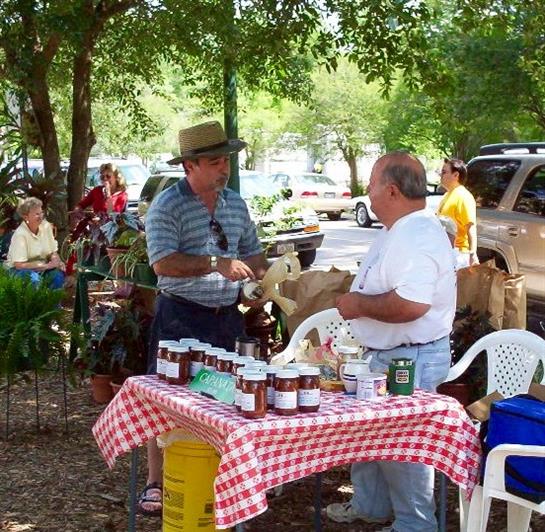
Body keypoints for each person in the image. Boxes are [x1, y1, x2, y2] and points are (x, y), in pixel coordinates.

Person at [139, 120, 269, 516]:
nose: (223, 168)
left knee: (227, 396)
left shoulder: (235, 204)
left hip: (226, 317)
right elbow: (163, 263)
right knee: (167, 399)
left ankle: (217, 475)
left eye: (225, 160)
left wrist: (262, 278)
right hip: (180, 316)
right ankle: (156, 481)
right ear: (189, 166)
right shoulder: (167, 205)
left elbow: (254, 254)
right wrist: (216, 263)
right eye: (214, 162)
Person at [326, 152, 456, 532]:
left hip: (410, 358)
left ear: (393, 191)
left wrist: (358, 304)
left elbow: (412, 304)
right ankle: (371, 506)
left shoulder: (416, 234)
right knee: (373, 436)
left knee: (404, 448)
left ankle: (415, 525)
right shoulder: (401, 228)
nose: (367, 191)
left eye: (371, 183)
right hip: (393, 353)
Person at [4, 197, 65, 289]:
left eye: (41, 213)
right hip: (19, 270)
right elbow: (19, 265)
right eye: (37, 214)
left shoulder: (46, 226)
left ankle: (53, 299)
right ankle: (35, 299)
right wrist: (47, 266)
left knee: (57, 277)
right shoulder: (20, 234)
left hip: (43, 267)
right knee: (34, 280)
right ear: (26, 217)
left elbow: (53, 251)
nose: (41, 216)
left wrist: (56, 261)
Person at [437, 158, 478, 269]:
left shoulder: (464, 196)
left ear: (456, 175)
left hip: (459, 255)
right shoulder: (447, 195)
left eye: (444, 172)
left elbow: (470, 227)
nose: (441, 175)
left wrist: (473, 254)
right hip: (446, 253)